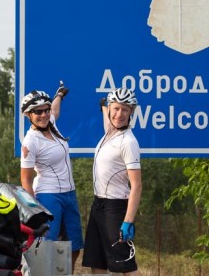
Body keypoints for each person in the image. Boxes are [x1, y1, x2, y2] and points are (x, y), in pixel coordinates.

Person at [19, 83, 83, 271]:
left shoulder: (51, 123)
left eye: (45, 110)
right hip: (48, 196)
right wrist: (34, 210)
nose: (44, 114)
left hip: (69, 194)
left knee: (76, 245)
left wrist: (59, 95)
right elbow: (25, 180)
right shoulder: (31, 141)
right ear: (29, 115)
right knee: (46, 247)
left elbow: (54, 109)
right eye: (38, 112)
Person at [82, 88, 142, 276]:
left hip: (115, 209)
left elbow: (137, 185)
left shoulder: (128, 142)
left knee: (125, 264)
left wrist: (128, 222)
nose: (119, 114)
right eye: (116, 108)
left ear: (132, 112)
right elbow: (109, 121)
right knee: (97, 262)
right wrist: (103, 107)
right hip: (98, 205)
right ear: (109, 109)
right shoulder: (110, 133)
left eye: (125, 109)